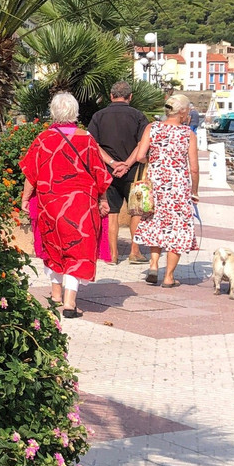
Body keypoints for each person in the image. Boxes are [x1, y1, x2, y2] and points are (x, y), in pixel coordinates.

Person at [20, 93, 112, 318]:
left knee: (53, 246)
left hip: (50, 203)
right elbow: (99, 173)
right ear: (75, 112)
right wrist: (103, 200)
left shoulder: (43, 139)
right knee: (78, 250)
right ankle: (70, 302)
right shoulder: (86, 139)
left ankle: (55, 295)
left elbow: (31, 173)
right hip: (81, 204)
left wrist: (25, 198)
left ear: (53, 112)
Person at [130, 94, 199, 287]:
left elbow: (140, 155)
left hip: (156, 186)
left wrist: (153, 162)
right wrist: (195, 191)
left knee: (156, 224)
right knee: (176, 229)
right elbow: (194, 167)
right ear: (183, 112)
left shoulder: (152, 128)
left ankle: (153, 264)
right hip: (178, 189)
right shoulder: (188, 134)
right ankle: (169, 276)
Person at [87, 81, 150, 265]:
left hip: (108, 172)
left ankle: (112, 255)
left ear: (111, 96)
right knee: (136, 212)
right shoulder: (139, 116)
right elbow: (141, 145)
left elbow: (93, 144)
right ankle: (135, 252)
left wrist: (113, 163)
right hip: (135, 173)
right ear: (130, 97)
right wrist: (128, 164)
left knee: (111, 213)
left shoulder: (99, 116)